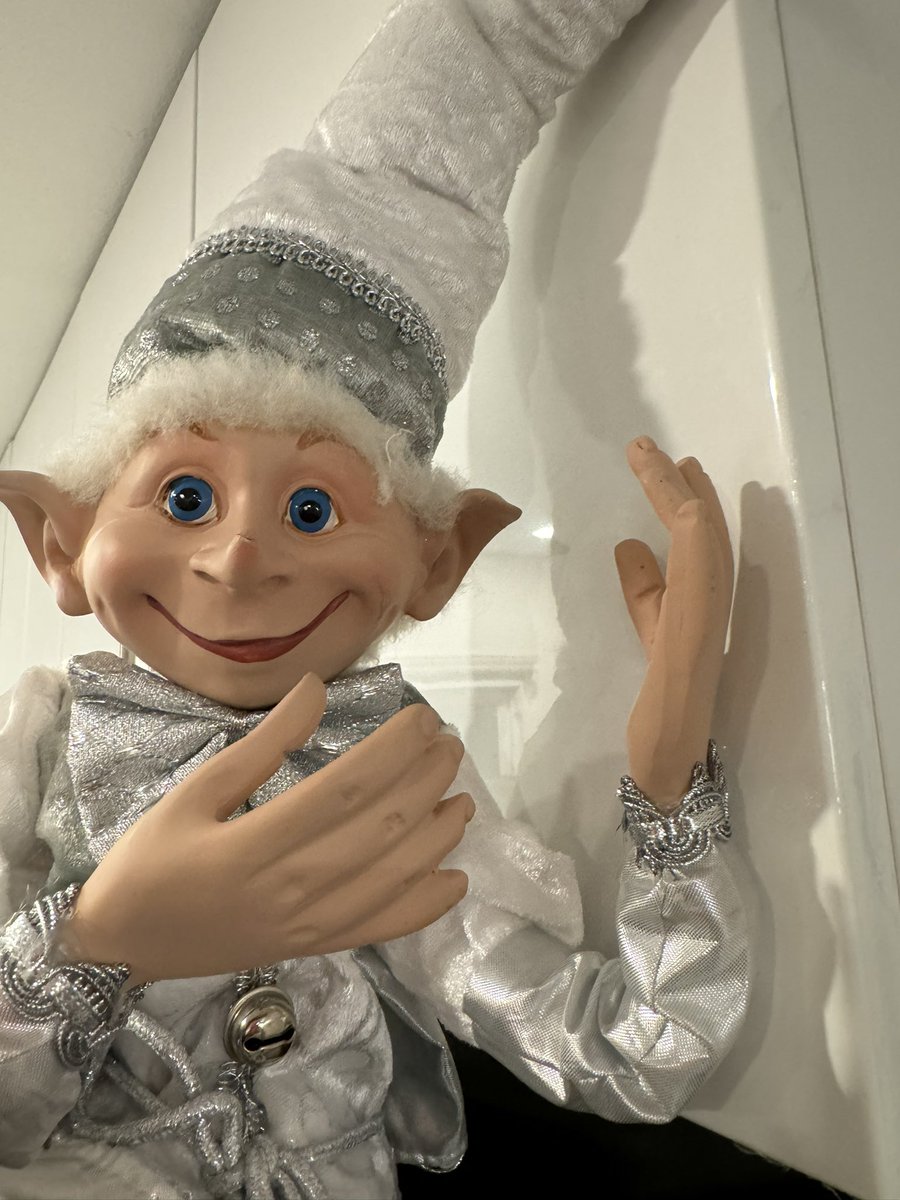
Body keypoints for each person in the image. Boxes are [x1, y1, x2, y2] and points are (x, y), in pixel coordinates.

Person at [0, 1, 747, 1196]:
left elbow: (628, 1051)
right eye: (185, 496)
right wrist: (92, 947)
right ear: (63, 537)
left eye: (312, 509)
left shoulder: (397, 785)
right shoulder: (36, 746)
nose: (238, 562)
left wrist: (671, 790)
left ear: (437, 563)